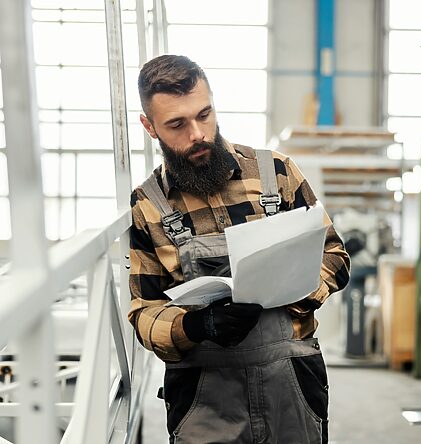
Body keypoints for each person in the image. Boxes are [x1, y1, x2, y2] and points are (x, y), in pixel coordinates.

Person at [128, 54, 350, 444]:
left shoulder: (276, 174)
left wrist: (295, 293)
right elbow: (143, 312)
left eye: (204, 114)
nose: (197, 134)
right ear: (150, 126)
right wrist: (196, 326)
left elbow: (335, 256)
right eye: (176, 125)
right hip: (204, 398)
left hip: (291, 384)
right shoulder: (149, 206)